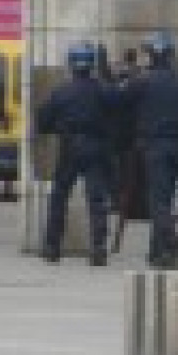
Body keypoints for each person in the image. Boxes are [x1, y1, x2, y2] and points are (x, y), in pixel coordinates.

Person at [121, 31, 178, 269]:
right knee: (166, 198)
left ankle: (168, 249)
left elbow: (119, 102)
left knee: (158, 201)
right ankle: (156, 250)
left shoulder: (142, 81)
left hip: (154, 147)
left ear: (151, 54)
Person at [35, 43, 116, 265]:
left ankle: (52, 247)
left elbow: (43, 121)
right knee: (97, 199)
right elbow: (116, 109)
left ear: (71, 64)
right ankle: (98, 248)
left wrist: (58, 127)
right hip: (95, 146)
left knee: (59, 198)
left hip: (70, 147)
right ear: (92, 65)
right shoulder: (102, 89)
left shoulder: (61, 91)